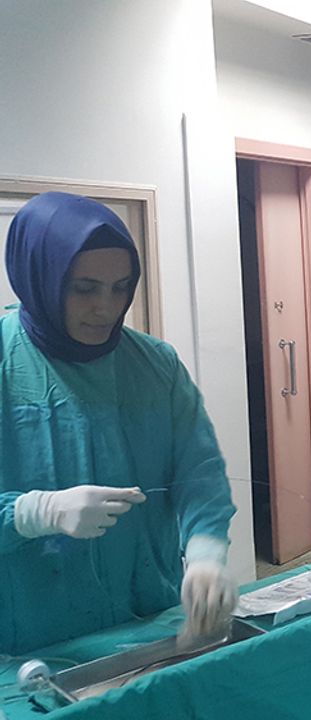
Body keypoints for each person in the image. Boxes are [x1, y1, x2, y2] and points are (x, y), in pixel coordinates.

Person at [0, 192, 237, 654]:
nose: (106, 308)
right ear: (39, 278)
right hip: (30, 638)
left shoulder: (155, 364)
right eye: (84, 289)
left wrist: (206, 551)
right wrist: (32, 513)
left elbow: (199, 471)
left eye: (121, 287)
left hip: (149, 614)